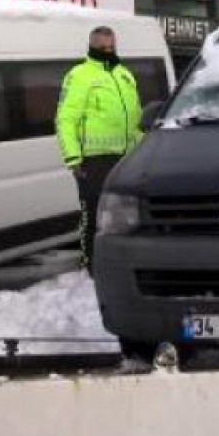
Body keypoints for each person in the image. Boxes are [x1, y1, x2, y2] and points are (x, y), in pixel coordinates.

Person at [56, 27, 143, 275]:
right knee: (94, 215)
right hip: (93, 160)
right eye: (104, 47)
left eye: (112, 46)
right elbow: (65, 119)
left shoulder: (124, 75)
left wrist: (144, 148)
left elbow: (136, 118)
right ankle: (92, 268)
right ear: (92, 47)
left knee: (127, 214)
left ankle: (123, 263)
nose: (109, 51)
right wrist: (73, 158)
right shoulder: (79, 76)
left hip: (127, 157)